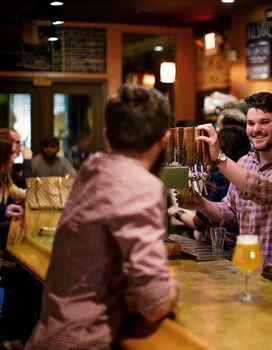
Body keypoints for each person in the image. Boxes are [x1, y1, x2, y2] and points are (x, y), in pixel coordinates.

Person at [25, 85, 180, 349]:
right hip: (83, 342)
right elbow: (154, 302)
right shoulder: (140, 185)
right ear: (164, 139)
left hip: (48, 336)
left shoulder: (92, 168)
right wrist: (173, 288)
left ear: (107, 136)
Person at [178, 92, 272, 267]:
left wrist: (219, 157)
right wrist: (201, 204)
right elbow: (228, 212)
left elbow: (270, 191)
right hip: (249, 271)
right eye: (251, 123)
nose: (256, 129)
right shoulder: (245, 162)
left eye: (264, 122)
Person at [170, 125, 251, 246]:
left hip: (221, 247)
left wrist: (177, 213)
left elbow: (198, 224)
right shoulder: (249, 173)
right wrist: (201, 204)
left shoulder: (215, 178)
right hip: (244, 246)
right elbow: (229, 212)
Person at [0, 134, 25, 257]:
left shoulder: (4, 172)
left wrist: (38, 192)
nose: (15, 156)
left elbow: (16, 192)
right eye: (12, 153)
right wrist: (4, 210)